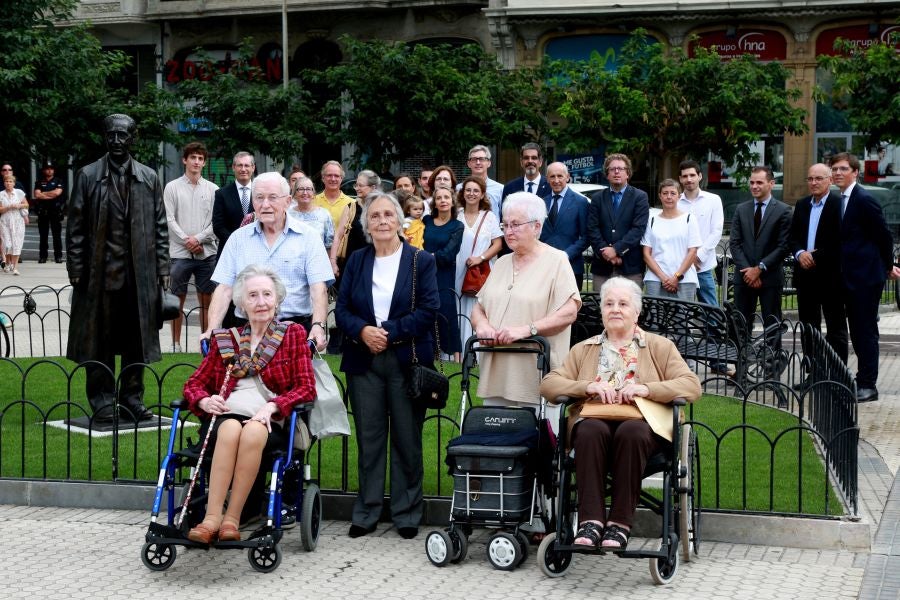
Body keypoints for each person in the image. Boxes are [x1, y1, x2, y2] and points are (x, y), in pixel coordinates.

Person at [539, 277, 700, 550]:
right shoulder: (584, 348)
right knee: (589, 429)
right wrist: (587, 386)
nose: (615, 309)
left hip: (642, 428)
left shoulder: (660, 347)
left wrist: (646, 389)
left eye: (623, 304)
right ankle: (591, 522)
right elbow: (549, 385)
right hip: (596, 424)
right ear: (601, 310)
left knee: (631, 431)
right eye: (609, 304)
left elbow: (691, 385)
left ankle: (619, 524)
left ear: (637, 312)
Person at [183, 265, 316, 544]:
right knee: (230, 429)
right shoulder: (226, 340)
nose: (261, 302)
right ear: (242, 303)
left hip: (269, 419)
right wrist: (204, 400)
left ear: (277, 299)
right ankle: (211, 519)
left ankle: (232, 519)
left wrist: (273, 406)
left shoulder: (291, 335)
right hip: (227, 415)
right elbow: (193, 385)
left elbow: (306, 387)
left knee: (253, 431)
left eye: (267, 294)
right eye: (253, 295)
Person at [334, 192, 440, 540]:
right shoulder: (357, 260)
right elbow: (342, 309)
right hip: (364, 360)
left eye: (388, 215)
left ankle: (407, 512)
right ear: (366, 224)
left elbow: (429, 309)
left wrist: (389, 332)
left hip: (407, 359)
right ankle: (367, 512)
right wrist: (363, 331)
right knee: (370, 438)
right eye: (375, 216)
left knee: (407, 438)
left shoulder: (420, 260)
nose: (381, 221)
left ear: (399, 220)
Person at [66, 113, 169, 423]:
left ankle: (132, 398)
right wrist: (76, 268)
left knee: (137, 340)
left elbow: (160, 226)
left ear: (133, 138)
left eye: (122, 135)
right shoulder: (87, 175)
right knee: (99, 340)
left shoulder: (148, 177)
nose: (116, 141)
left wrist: (163, 269)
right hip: (100, 275)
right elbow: (75, 227)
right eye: (111, 134)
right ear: (105, 137)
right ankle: (102, 399)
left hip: (139, 275)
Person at [470, 191, 581, 412]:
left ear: (537, 227)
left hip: (536, 370)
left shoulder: (557, 260)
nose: (508, 231)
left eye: (515, 225)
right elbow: (479, 307)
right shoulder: (501, 263)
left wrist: (527, 329)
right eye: (505, 225)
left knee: (538, 431)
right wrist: (482, 326)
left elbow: (569, 312)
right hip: (497, 372)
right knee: (495, 428)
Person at [203, 172, 332, 350]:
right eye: (259, 198)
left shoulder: (309, 237)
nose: (265, 205)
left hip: (294, 331)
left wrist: (318, 326)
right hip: (245, 330)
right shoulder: (238, 239)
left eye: (272, 197)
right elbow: (224, 289)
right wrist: (212, 328)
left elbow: (318, 289)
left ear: (287, 201)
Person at [831, 153, 900, 403]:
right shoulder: (840, 200)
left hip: (865, 278)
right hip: (847, 277)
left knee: (865, 331)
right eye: (834, 169)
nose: (837, 173)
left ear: (855, 172)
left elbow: (883, 236)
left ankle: (868, 385)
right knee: (856, 331)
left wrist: (888, 266)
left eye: (843, 169)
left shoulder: (864, 199)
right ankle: (861, 379)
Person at [788, 163, 847, 372]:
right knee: (808, 329)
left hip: (831, 277)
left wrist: (813, 256)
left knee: (836, 328)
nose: (813, 182)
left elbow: (841, 241)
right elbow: (793, 237)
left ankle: (837, 375)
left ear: (830, 180)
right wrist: (799, 253)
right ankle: (812, 374)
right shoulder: (802, 204)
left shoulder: (840, 205)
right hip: (805, 277)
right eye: (810, 179)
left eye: (819, 178)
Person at [164, 141, 219, 352]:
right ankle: (175, 344)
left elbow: (216, 221)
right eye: (193, 157)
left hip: (206, 252)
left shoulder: (213, 189)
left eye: (200, 158)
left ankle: (205, 343)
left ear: (204, 163)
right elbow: (169, 219)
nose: (196, 162)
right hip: (180, 252)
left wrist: (199, 239)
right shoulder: (172, 187)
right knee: (177, 298)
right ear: (184, 160)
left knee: (207, 299)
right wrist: (187, 240)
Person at [728, 166, 791, 347]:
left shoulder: (784, 210)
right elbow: (735, 243)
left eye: (759, 182)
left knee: (772, 325)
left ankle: (772, 362)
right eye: (752, 182)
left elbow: (783, 246)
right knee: (740, 325)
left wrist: (760, 269)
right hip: (744, 277)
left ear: (771, 183)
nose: (754, 186)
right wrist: (748, 271)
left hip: (769, 278)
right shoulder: (741, 209)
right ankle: (740, 361)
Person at [588, 153, 650, 290]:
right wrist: (607, 254)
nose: (616, 172)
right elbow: (592, 229)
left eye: (621, 169)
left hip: (630, 267)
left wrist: (616, 250)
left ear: (628, 173)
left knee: (630, 303)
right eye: (612, 169)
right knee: (601, 303)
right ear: (607, 174)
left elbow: (638, 229)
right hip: (602, 267)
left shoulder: (640, 197)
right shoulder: (597, 198)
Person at [455, 177, 503, 351]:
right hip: (456, 269)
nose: (471, 194)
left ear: (482, 194)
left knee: (477, 308)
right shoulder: (456, 215)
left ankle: (475, 351)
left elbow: (498, 244)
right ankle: (457, 352)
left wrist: (480, 258)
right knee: (457, 307)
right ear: (463, 193)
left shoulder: (489, 217)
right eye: (468, 190)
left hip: (478, 270)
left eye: (476, 190)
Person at [641, 179, 702, 300]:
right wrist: (663, 277)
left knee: (684, 313)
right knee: (655, 313)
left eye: (673, 193)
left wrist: (676, 277)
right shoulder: (652, 220)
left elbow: (692, 252)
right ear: (660, 196)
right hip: (655, 279)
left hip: (685, 279)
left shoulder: (689, 219)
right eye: (665, 193)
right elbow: (646, 254)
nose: (669, 197)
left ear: (679, 196)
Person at [423, 185, 464, 361]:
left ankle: (457, 358)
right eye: (439, 198)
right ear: (434, 202)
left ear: (452, 201)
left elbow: (448, 254)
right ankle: (431, 354)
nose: (443, 201)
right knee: (426, 311)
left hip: (444, 275)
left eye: (446, 197)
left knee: (447, 312)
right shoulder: (426, 221)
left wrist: (427, 257)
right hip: (424, 275)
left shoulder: (457, 226)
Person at [677, 160, 724, 306]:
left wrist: (697, 257)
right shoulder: (675, 202)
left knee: (711, 310)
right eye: (685, 176)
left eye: (692, 175)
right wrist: (687, 261)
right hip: (680, 267)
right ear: (680, 179)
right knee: (681, 309)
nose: (689, 179)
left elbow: (716, 232)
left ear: (700, 176)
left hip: (703, 266)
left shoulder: (713, 200)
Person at [541, 162, 589, 290]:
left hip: (571, 266)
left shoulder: (580, 202)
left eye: (560, 176)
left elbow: (586, 236)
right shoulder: (541, 202)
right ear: (547, 179)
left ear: (567, 177)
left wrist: (566, 255)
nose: (556, 180)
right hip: (544, 266)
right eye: (552, 176)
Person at [212, 151, 255, 261]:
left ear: (253, 168)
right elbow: (218, 226)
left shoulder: (261, 193)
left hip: (256, 251)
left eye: (247, 165)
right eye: (240, 165)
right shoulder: (222, 194)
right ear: (233, 168)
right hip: (229, 252)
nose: (243, 169)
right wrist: (236, 242)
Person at [288, 176, 334, 250]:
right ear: (295, 193)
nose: (305, 193)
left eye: (308, 189)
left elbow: (329, 245)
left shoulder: (324, 214)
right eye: (301, 189)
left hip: (318, 256)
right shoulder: (287, 214)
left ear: (313, 193)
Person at [33, 159, 66, 264]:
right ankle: (43, 257)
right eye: (47, 169)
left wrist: (44, 193)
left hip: (55, 211)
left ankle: (58, 256)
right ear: (44, 170)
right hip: (43, 211)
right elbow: (37, 195)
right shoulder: (39, 182)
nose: (49, 170)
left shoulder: (58, 181)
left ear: (54, 170)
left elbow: (57, 193)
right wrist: (50, 194)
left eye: (51, 168)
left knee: (57, 235)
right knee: (43, 235)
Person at [457, 145, 503, 218]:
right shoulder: (459, 188)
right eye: (474, 159)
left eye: (482, 159)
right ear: (469, 164)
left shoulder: (500, 189)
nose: (478, 162)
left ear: (489, 163)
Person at [0, 174, 29, 275]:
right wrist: (8, 207)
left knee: (17, 244)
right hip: (5, 221)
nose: (8, 183)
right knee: (7, 244)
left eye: (10, 181)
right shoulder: (1, 194)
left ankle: (15, 267)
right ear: (4, 183)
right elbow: (0, 209)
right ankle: (8, 263)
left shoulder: (19, 192)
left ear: (14, 183)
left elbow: (26, 205)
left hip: (17, 221)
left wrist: (19, 205)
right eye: (6, 181)